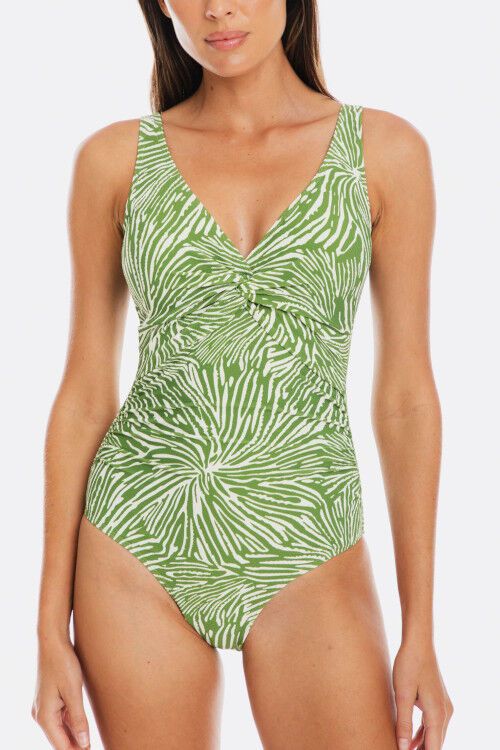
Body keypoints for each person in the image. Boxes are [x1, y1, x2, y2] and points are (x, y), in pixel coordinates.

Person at [31, 1, 453, 748]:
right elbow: (85, 394)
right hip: (135, 539)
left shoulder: (383, 152)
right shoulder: (116, 160)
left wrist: (420, 629)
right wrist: (47, 630)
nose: (217, 7)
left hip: (309, 540)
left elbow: (405, 398)